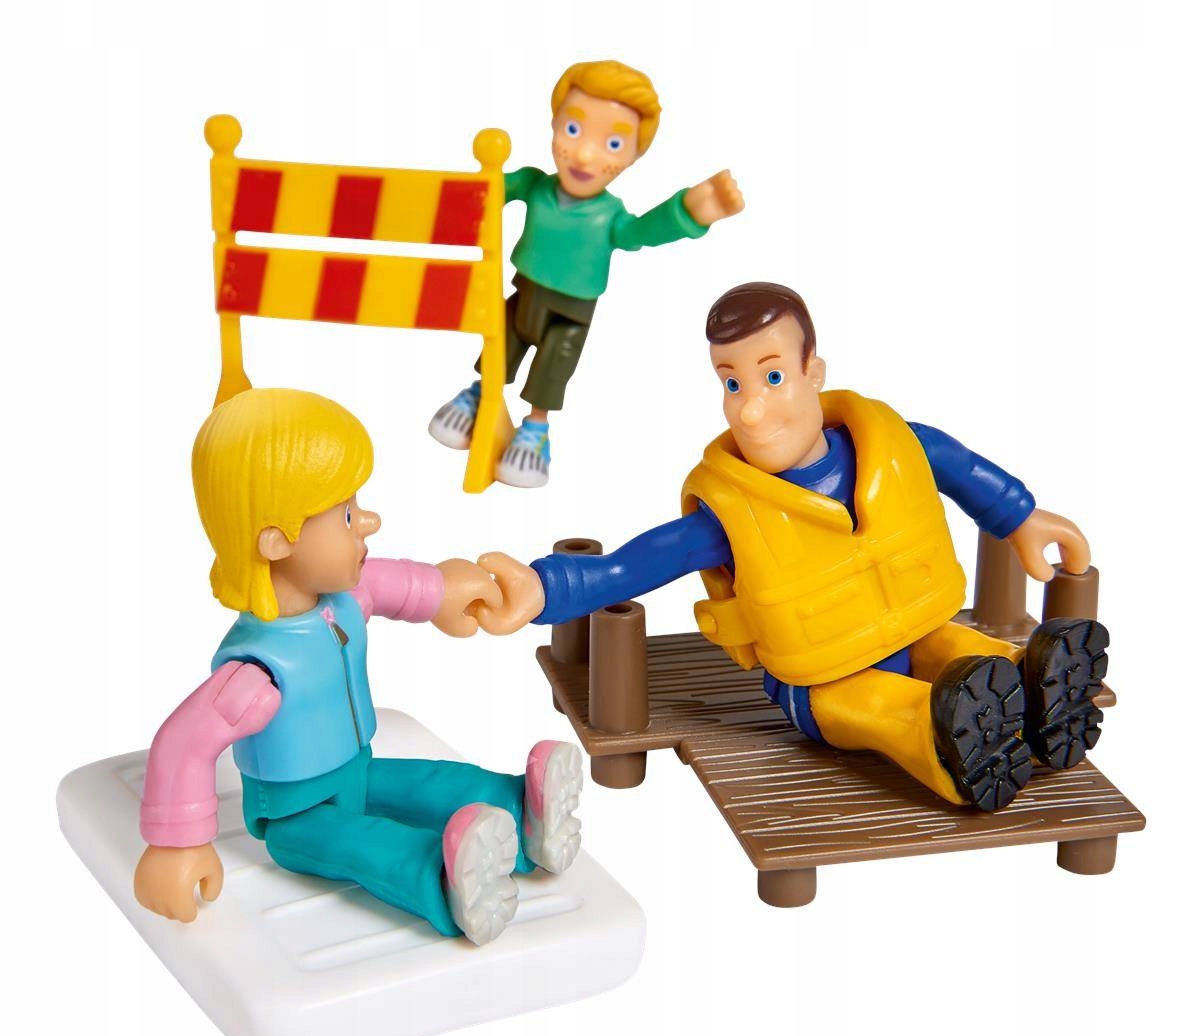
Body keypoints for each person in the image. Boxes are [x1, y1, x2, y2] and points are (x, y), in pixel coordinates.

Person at [477, 283, 1110, 811]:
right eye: (732, 385)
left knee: (959, 650)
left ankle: (1032, 691)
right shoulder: (729, 511)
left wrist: (1022, 516)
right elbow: (630, 566)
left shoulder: (896, 443)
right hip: (820, 681)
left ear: (813, 372)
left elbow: (965, 470)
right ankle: (952, 748)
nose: (750, 412)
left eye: (772, 376)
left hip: (913, 626)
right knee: (892, 707)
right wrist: (542, 588)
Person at [134, 388, 582, 945]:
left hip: (356, 769)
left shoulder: (342, 600)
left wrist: (444, 591)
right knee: (363, 844)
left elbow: (400, 584)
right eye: (345, 514)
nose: (368, 520)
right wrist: (176, 844)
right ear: (276, 542)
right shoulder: (259, 670)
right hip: (297, 817)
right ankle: (442, 877)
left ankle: (521, 809)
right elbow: (183, 742)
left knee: (430, 782)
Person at [428, 59, 745, 488]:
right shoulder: (535, 185)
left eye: (613, 143)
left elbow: (640, 232)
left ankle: (535, 430)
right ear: (554, 123)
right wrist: (479, 188)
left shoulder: (609, 215)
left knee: (552, 368)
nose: (584, 154)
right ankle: (480, 394)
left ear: (634, 156)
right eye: (573, 130)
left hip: (572, 313)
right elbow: (489, 191)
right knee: (501, 339)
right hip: (524, 292)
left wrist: (688, 212)